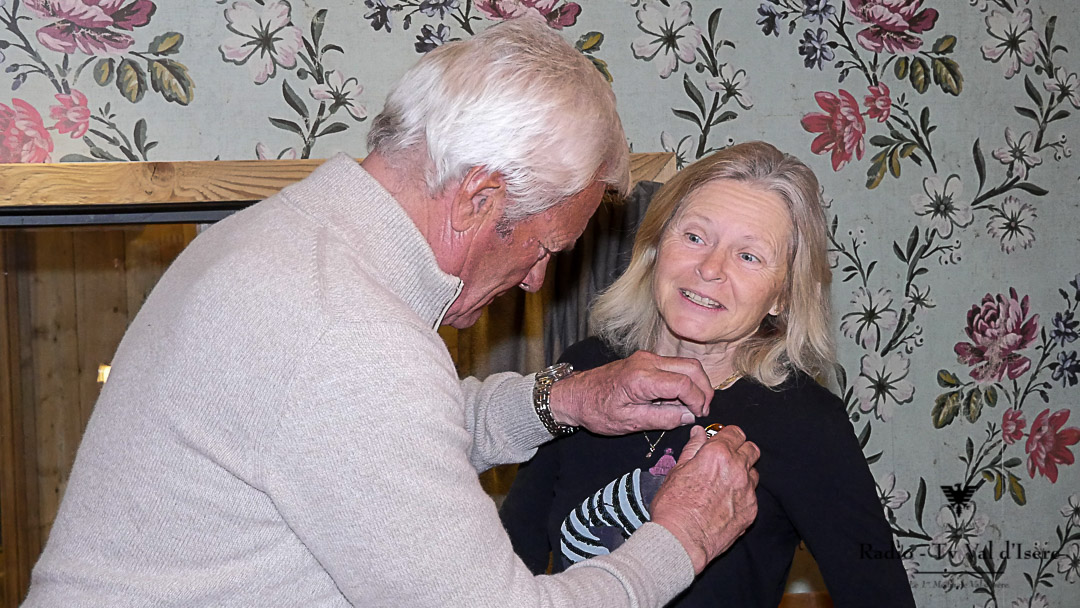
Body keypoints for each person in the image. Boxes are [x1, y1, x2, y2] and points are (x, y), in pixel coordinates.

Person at [22, 17, 761, 608]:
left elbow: (370, 439)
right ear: (478, 199)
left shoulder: (278, 239)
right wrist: (681, 538)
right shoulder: (351, 336)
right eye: (543, 247)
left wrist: (564, 400)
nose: (538, 280)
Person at [501, 141, 917, 607]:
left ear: (782, 296)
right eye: (695, 237)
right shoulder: (587, 373)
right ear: (655, 247)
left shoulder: (808, 424)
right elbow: (513, 559)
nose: (710, 269)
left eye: (749, 256)